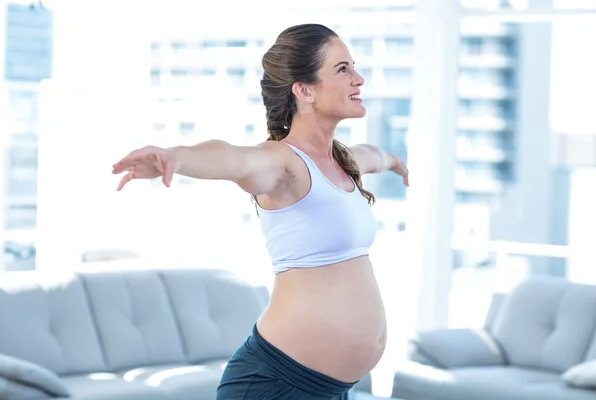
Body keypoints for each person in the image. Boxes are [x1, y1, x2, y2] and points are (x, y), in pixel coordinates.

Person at [112, 23, 409, 400]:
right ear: (304, 90)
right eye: (342, 69)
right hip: (276, 385)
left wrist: (394, 162)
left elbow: (373, 156)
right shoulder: (282, 163)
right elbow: (234, 159)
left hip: (331, 390)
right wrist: (176, 157)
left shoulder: (342, 162)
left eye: (353, 66)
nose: (358, 78)